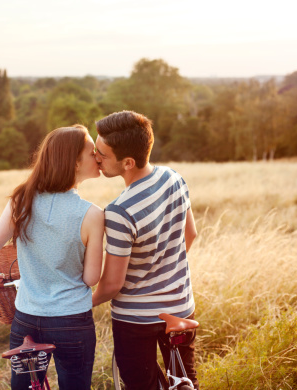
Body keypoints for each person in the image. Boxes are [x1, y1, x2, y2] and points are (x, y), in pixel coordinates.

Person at [0, 125, 104, 390]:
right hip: (72, 321)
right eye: (93, 152)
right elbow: (91, 277)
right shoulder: (92, 214)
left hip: (28, 318)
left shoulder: (22, 200)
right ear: (75, 163)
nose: (98, 156)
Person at [91, 111, 199, 390]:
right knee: (186, 380)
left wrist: (81, 304)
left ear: (128, 162)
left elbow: (113, 285)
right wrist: (164, 273)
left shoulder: (119, 211)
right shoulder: (174, 177)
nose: (95, 157)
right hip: (181, 307)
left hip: (136, 319)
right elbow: (191, 234)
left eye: (101, 153)